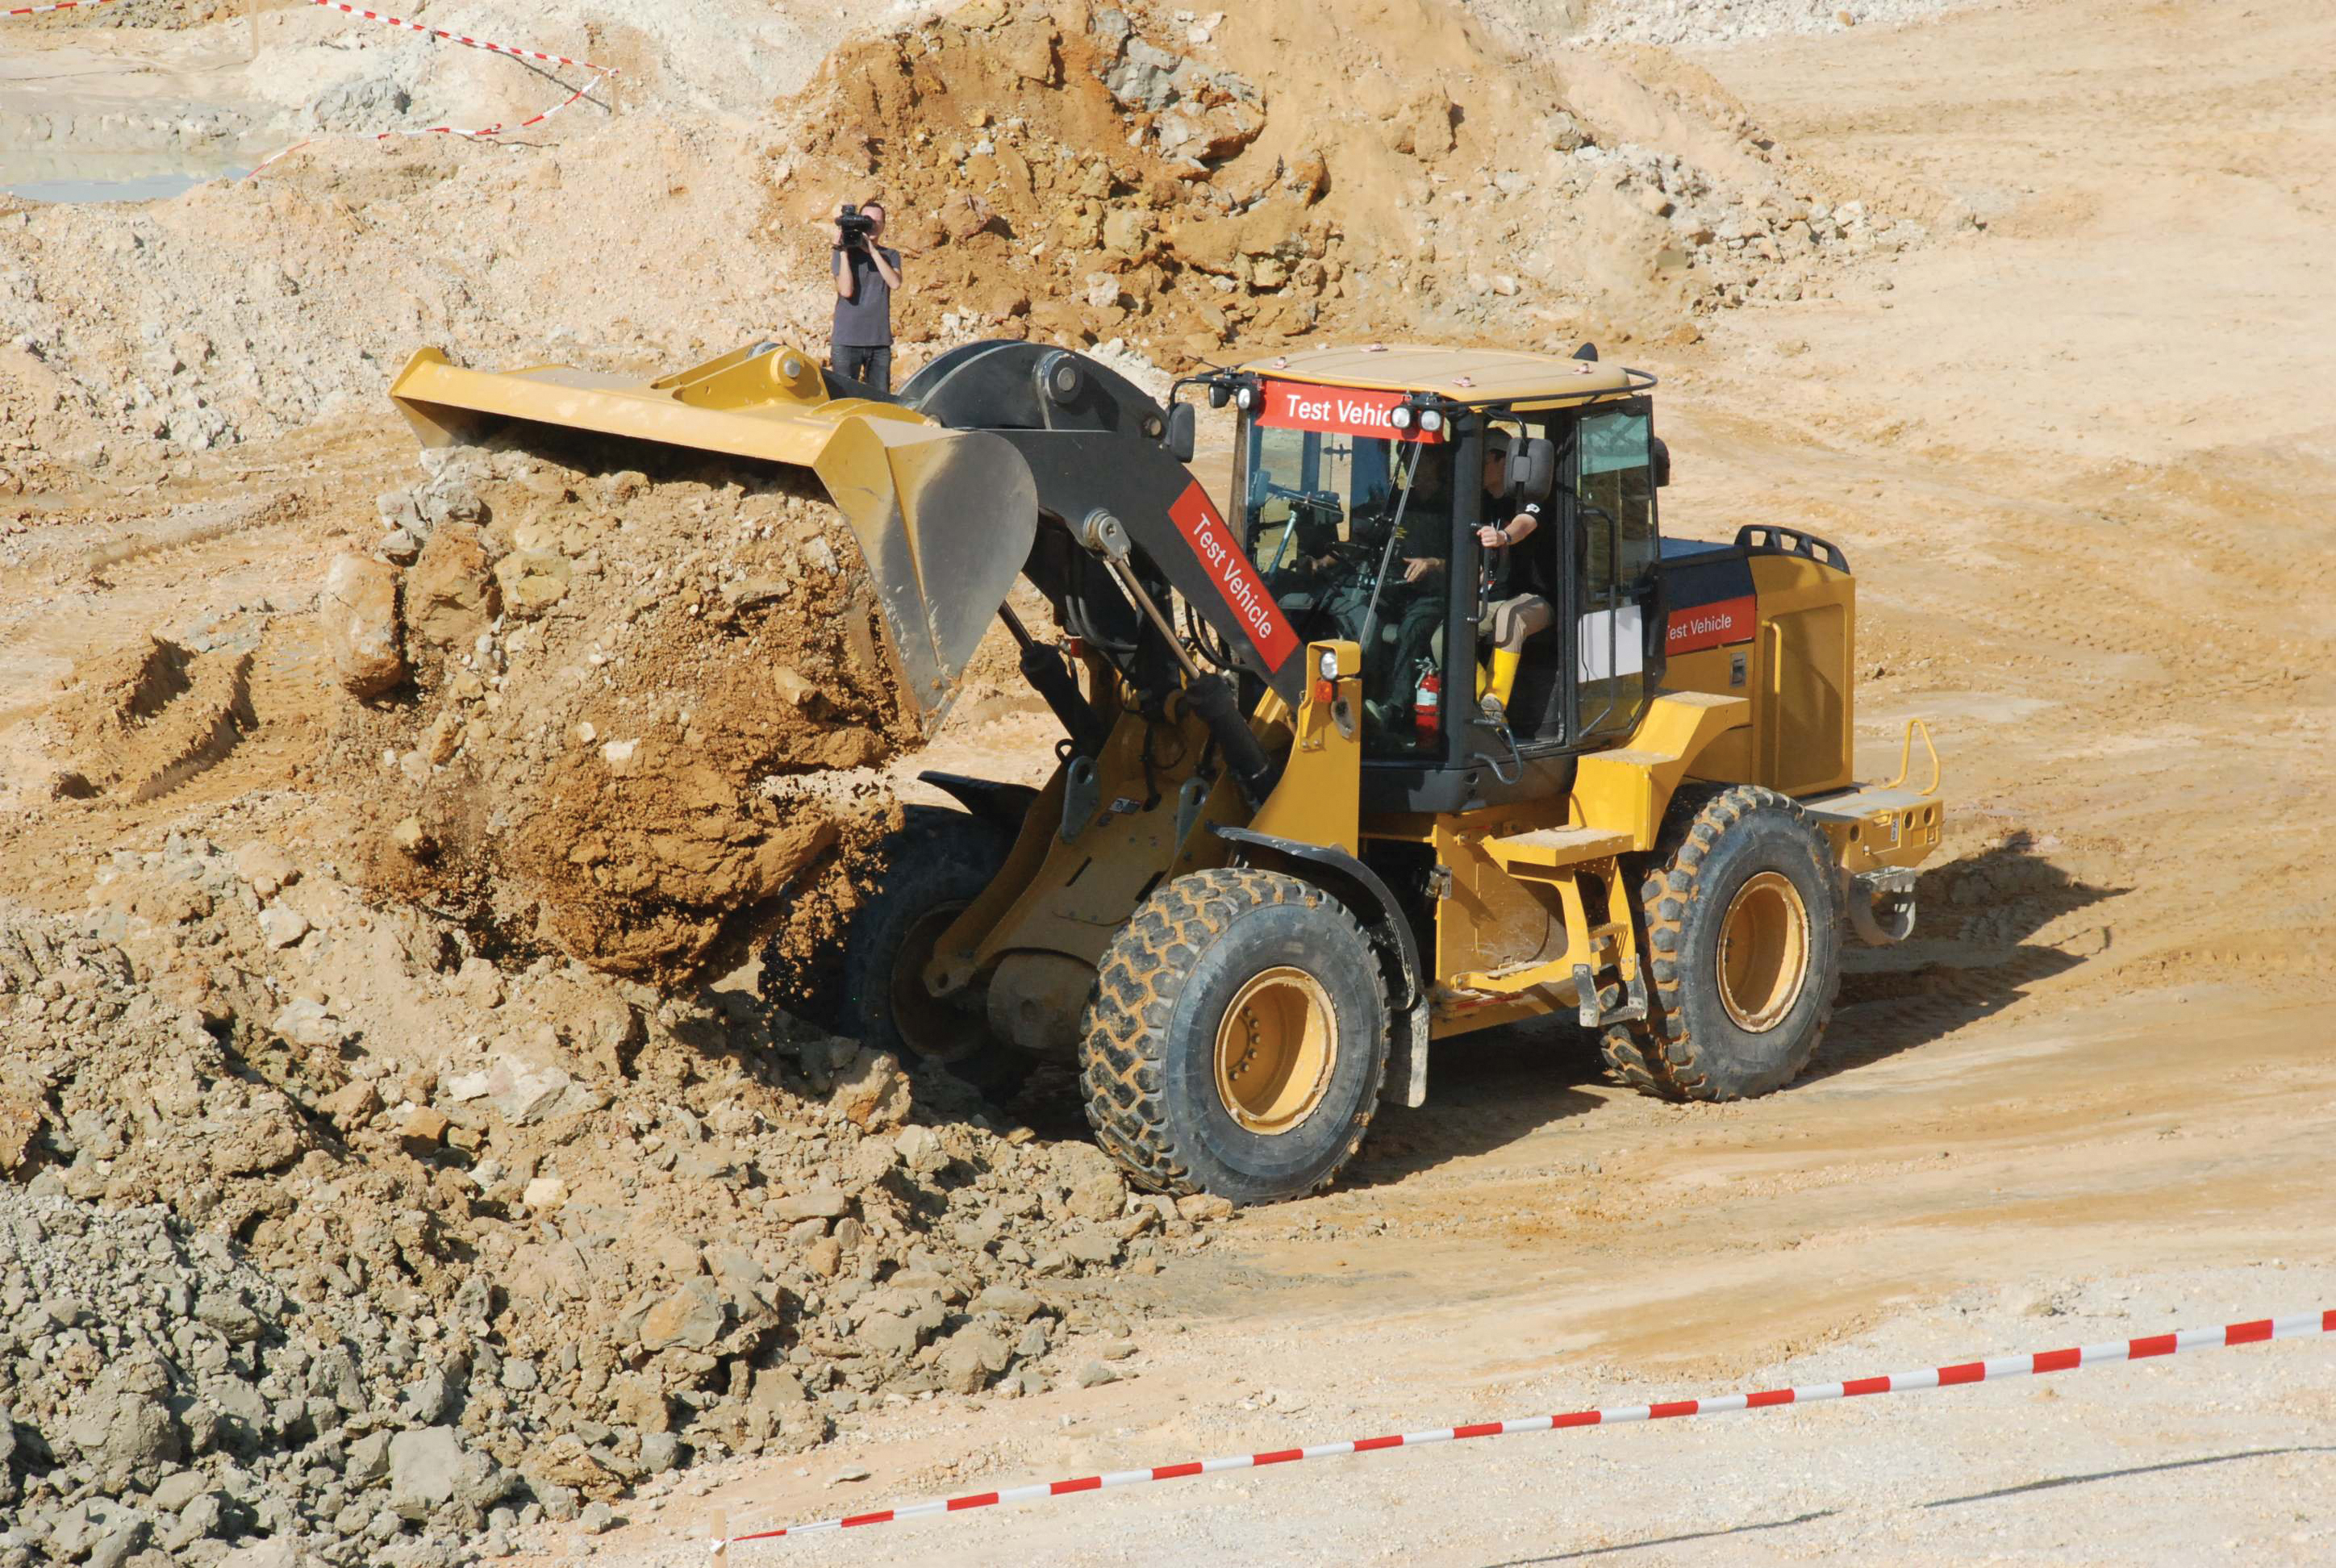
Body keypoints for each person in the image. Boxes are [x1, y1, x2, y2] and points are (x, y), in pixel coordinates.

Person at [1472, 431, 1554, 712]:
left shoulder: (1529, 496)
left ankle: (1494, 704)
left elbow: (1526, 522)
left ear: (1503, 460)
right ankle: (1481, 709)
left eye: (1481, 461)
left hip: (1537, 598)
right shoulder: (1475, 501)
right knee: (1443, 635)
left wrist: (1504, 536)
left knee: (1510, 616)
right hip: (1492, 597)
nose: (1475, 469)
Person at [828, 200, 903, 393]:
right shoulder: (843, 253)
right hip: (846, 341)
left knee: (880, 401)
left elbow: (895, 283)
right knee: (843, 400)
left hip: (878, 343)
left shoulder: (891, 255)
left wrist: (872, 251)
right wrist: (843, 253)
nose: (873, 225)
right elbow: (845, 291)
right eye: (868, 220)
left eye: (878, 221)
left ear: (884, 225)